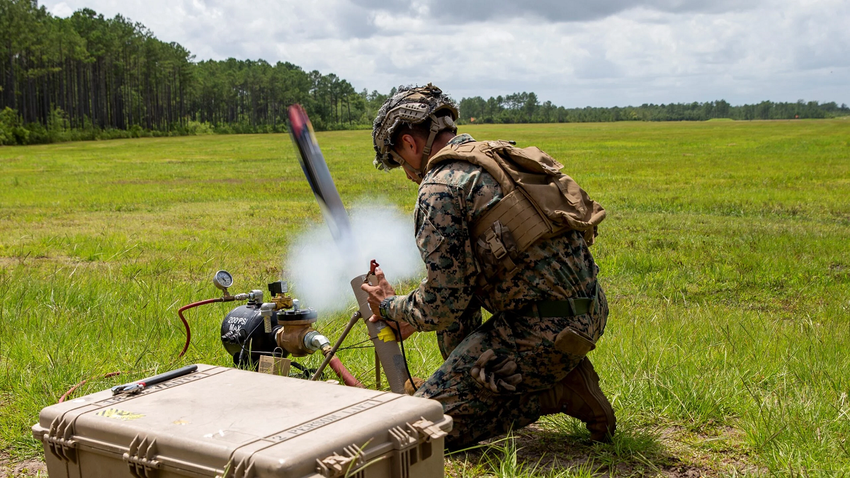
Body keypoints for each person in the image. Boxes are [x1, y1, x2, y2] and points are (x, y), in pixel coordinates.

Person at [361, 84, 615, 450]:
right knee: (452, 349)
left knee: (420, 430)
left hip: (544, 333)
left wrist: (389, 306)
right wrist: (413, 315)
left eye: (400, 161)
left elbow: (442, 305)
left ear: (410, 143)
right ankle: (480, 389)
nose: (406, 173)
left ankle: (557, 392)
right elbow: (459, 289)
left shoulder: (439, 187)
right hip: (587, 313)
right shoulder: (494, 159)